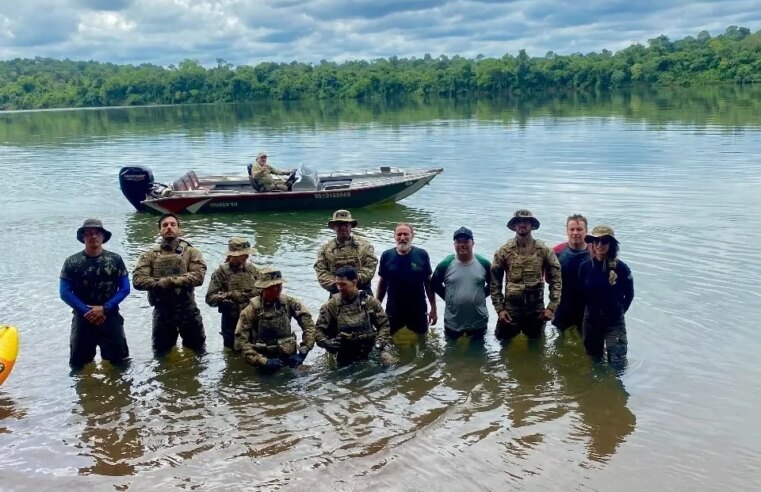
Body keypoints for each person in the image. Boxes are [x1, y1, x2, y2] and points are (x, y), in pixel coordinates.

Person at [59, 219, 131, 370]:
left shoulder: (115, 259)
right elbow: (64, 292)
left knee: (121, 364)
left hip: (110, 317)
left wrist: (105, 308)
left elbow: (125, 288)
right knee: (78, 366)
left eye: (97, 233)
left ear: (103, 237)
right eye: (89, 233)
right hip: (82, 319)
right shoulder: (72, 262)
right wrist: (87, 312)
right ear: (83, 237)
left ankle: (120, 393)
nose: (93, 236)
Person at [132, 213, 207, 354]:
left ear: (179, 229)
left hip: (188, 310)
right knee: (161, 354)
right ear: (159, 230)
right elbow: (138, 280)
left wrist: (170, 281)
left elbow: (198, 277)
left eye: (173, 224)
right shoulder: (149, 255)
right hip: (162, 312)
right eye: (165, 225)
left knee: (198, 352)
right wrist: (162, 283)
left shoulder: (191, 252)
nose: (169, 228)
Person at [490, 209, 562, 340]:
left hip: (536, 311)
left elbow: (556, 279)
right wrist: (500, 309)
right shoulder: (504, 251)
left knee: (537, 347)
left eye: (526, 221)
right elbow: (494, 283)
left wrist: (551, 307)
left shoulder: (544, 250)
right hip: (510, 310)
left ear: (531, 225)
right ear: (514, 225)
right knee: (502, 346)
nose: (522, 224)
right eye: (519, 221)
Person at [234, 267, 315, 371]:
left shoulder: (289, 302)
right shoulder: (250, 310)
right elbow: (241, 342)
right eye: (272, 287)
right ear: (263, 288)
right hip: (265, 360)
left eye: (279, 286)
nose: (277, 290)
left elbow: (309, 325)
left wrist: (304, 350)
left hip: (290, 357)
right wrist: (262, 361)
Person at [578, 225, 634, 368]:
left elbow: (629, 295)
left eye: (604, 241)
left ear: (611, 244)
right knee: (594, 362)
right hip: (591, 321)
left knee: (618, 364)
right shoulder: (585, 267)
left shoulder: (622, 268)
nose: (599, 245)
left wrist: (619, 311)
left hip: (614, 322)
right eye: (596, 241)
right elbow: (581, 295)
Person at [315, 266, 391, 365]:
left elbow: (384, 325)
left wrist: (379, 342)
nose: (339, 288)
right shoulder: (331, 305)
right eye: (337, 284)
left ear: (354, 282)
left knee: (391, 364)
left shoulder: (370, 302)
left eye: (343, 284)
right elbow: (317, 331)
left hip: (370, 347)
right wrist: (326, 343)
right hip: (345, 350)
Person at [377, 223, 437, 335]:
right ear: (394, 236)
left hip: (417, 307)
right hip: (393, 307)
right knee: (389, 339)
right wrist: (377, 306)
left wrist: (433, 308)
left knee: (421, 339)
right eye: (399, 234)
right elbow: (382, 284)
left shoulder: (421, 254)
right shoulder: (386, 255)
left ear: (412, 236)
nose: (402, 238)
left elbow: (428, 283)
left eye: (406, 234)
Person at [432, 227, 491, 340]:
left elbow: (494, 286)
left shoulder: (484, 263)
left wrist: (480, 296)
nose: (462, 245)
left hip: (478, 320)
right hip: (453, 321)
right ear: (454, 244)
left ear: (472, 243)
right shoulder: (445, 264)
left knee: (478, 353)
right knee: (451, 353)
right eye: (458, 241)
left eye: (466, 241)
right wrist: (450, 298)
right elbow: (434, 285)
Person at [205, 238, 260, 349]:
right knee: (232, 352)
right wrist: (229, 295)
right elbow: (210, 299)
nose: (247, 256)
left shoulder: (252, 269)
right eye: (243, 254)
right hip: (231, 321)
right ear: (233, 255)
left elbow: (263, 289)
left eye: (247, 254)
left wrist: (255, 293)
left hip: (252, 320)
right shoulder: (220, 273)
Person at [314, 209, 377, 297]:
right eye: (339, 225)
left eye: (346, 224)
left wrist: (353, 281)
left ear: (351, 226)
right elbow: (321, 271)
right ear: (334, 227)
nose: (343, 227)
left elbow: (371, 266)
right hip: (337, 291)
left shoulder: (365, 245)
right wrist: (340, 283)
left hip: (362, 290)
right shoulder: (325, 248)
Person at [552, 214, 593, 332]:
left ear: (586, 231)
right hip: (563, 305)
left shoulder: (594, 252)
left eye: (579, 229)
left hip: (586, 307)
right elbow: (548, 279)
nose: (575, 233)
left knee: (586, 341)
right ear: (567, 231)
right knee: (559, 340)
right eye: (572, 229)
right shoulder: (557, 251)